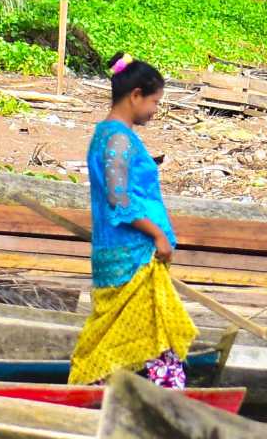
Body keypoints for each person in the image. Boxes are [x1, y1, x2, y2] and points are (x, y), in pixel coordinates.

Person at [68, 55, 199, 387]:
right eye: (155, 101)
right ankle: (160, 401)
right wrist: (158, 235)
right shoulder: (117, 139)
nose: (156, 109)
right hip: (131, 256)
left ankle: (114, 392)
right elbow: (119, 200)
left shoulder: (109, 135)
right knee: (155, 337)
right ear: (135, 95)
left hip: (122, 253)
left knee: (125, 335)